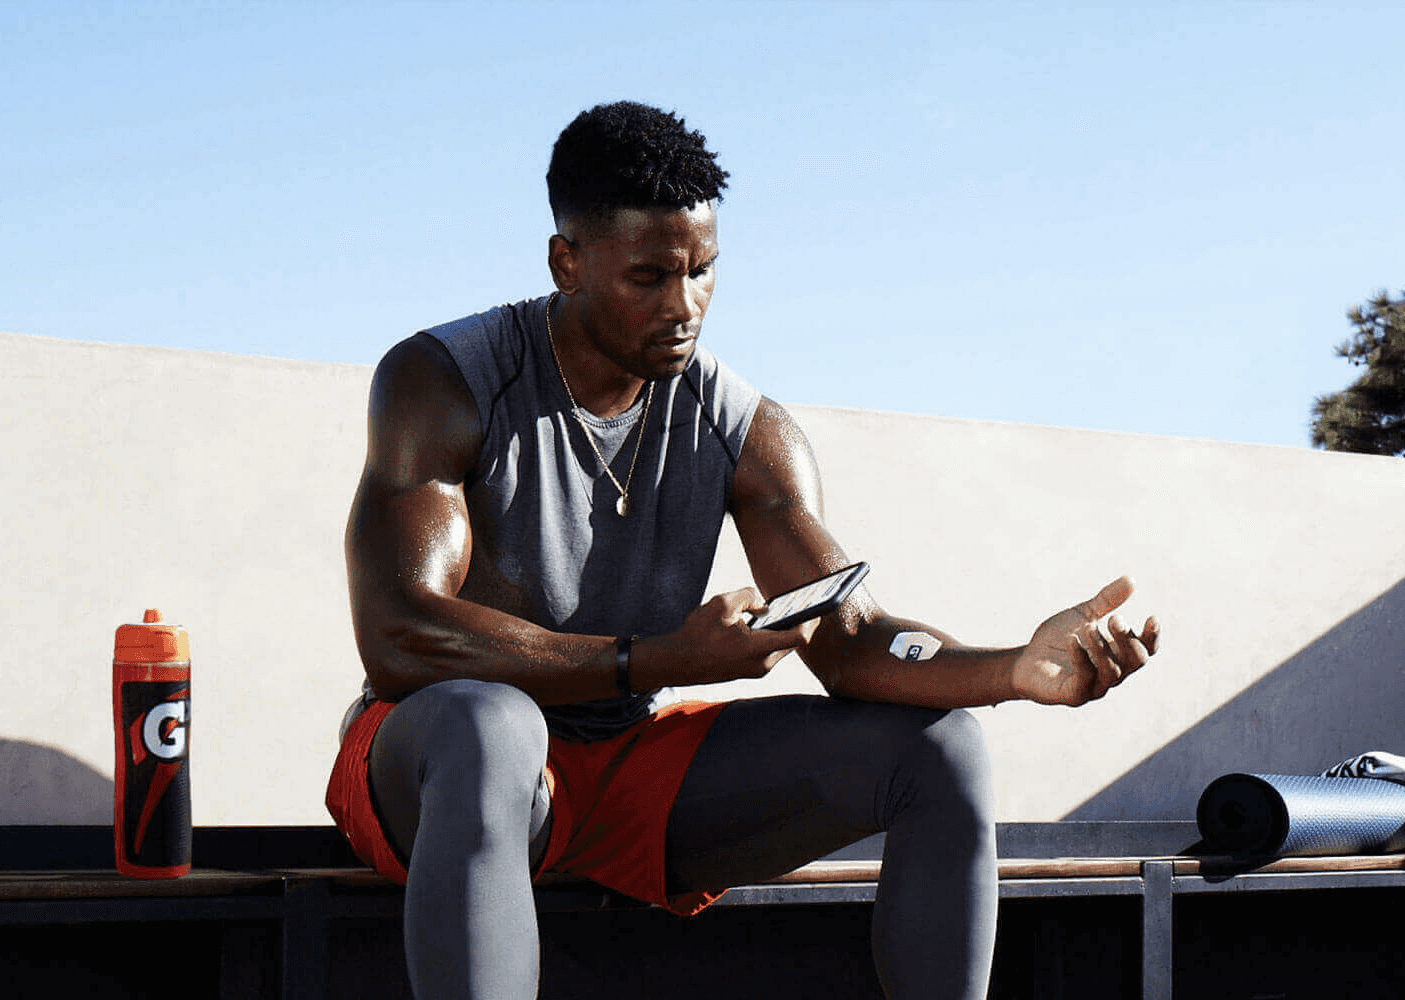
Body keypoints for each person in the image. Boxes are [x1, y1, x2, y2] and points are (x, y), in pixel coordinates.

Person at [327, 100, 1160, 1000]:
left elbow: (849, 637)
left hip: (623, 768)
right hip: (445, 769)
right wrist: (655, 658)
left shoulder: (745, 429)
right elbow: (401, 638)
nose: (683, 306)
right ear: (567, 260)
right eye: (648, 277)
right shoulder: (446, 380)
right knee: (493, 727)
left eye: (703, 271)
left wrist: (1014, 668)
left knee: (946, 748)